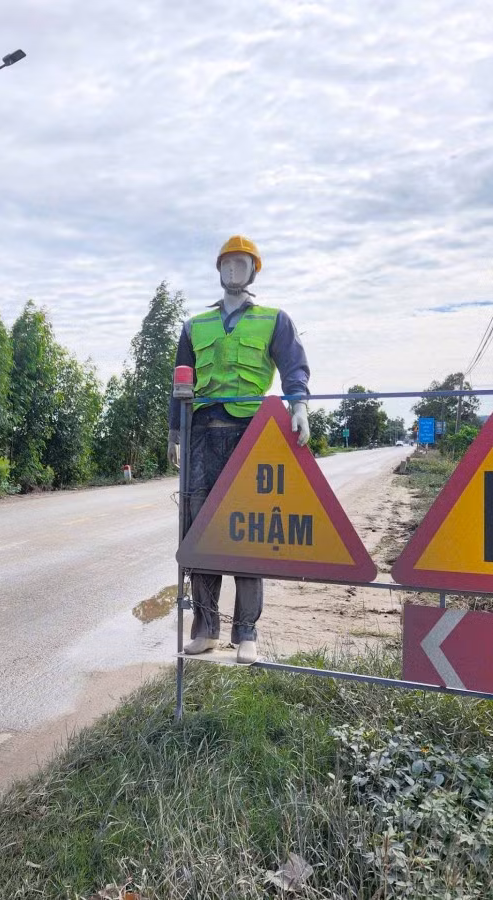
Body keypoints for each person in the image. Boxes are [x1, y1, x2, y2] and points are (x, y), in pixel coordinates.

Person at [168, 235, 311, 664]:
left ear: (254, 270)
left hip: (252, 434)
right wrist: (175, 434)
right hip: (201, 434)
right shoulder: (196, 325)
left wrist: (299, 403)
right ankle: (206, 628)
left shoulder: (274, 319)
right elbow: (181, 384)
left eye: (241, 264)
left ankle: (245, 633)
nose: (233, 270)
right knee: (202, 533)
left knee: (249, 533)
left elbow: (293, 366)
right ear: (218, 270)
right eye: (227, 264)